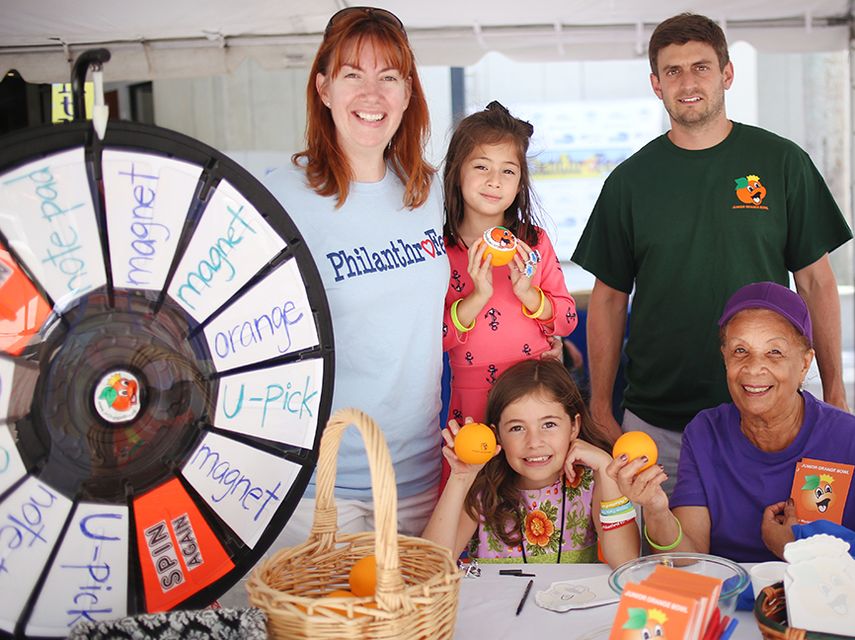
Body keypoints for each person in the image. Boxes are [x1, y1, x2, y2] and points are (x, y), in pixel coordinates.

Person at [572, 12, 852, 495]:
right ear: (656, 84)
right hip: (659, 425)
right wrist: (600, 405)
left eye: (701, 67)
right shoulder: (630, 182)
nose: (688, 82)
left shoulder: (782, 162)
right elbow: (609, 299)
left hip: (772, 415)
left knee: (781, 553)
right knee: (663, 562)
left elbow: (816, 282)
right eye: (673, 71)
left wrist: (834, 388)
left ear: (727, 74)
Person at [263, 7, 448, 545]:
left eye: (388, 77)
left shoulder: (430, 193)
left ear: (408, 92)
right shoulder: (280, 199)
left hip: (419, 480)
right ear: (323, 88)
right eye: (352, 75)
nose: (373, 95)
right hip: (318, 490)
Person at [610, 282, 855, 562]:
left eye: (774, 352)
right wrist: (656, 509)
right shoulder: (705, 433)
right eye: (740, 350)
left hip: (820, 602)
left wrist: (795, 549)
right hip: (727, 599)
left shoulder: (847, 437)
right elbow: (687, 560)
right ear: (725, 357)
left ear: (804, 363)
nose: (753, 367)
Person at [423, 359, 640, 566]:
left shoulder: (592, 483)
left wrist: (605, 466)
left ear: (574, 426)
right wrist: (460, 478)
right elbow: (430, 568)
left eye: (549, 425)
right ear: (497, 435)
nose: (534, 442)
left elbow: (625, 561)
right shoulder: (483, 489)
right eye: (517, 428)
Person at [442, 101, 578, 430]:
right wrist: (477, 298)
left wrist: (530, 295)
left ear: (519, 184)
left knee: (537, 475)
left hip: (538, 393)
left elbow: (568, 319)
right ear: (457, 171)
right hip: (473, 398)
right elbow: (436, 338)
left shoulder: (534, 242)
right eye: (481, 167)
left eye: (508, 170)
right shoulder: (440, 250)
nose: (494, 181)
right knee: (474, 478)